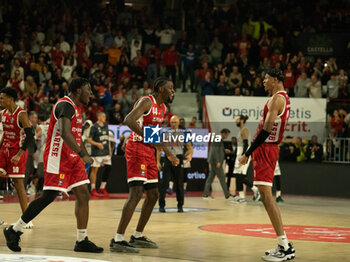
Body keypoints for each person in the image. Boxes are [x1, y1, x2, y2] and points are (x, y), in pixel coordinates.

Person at [3, 78, 103, 253]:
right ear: (78, 90)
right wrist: (83, 153)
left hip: (72, 158)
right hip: (58, 158)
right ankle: (14, 229)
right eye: (89, 90)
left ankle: (82, 240)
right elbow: (65, 133)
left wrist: (78, 155)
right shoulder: (65, 105)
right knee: (48, 196)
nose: (91, 94)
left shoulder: (78, 108)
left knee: (83, 194)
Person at [110, 77, 178, 253]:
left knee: (154, 194)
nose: (173, 91)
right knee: (136, 193)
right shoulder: (147, 101)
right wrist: (148, 139)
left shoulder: (162, 108)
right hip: (137, 149)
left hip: (148, 152)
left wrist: (169, 154)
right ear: (160, 88)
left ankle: (138, 235)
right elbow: (128, 120)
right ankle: (118, 239)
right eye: (170, 88)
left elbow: (155, 136)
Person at [238, 68, 295, 261]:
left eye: (266, 78)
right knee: (264, 195)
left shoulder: (277, 99)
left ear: (276, 79)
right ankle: (283, 244)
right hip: (267, 149)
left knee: (266, 195)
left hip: (266, 148)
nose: (263, 81)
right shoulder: (282, 98)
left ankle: (284, 246)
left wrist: (248, 152)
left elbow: (266, 130)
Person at [0, 87, 36, 228]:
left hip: (17, 151)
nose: (0, 100)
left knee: (18, 183)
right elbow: (5, 134)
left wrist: (19, 154)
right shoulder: (2, 113)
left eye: (2, 98)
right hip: (5, 150)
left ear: (10, 98)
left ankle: (26, 219)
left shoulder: (21, 114)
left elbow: (30, 135)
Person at [158, 115, 193, 213]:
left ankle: (180, 205)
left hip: (179, 158)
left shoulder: (184, 133)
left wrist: (190, 155)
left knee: (179, 183)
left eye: (175, 122)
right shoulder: (165, 133)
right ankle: (161, 205)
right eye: (172, 122)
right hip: (168, 158)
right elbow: (159, 148)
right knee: (164, 183)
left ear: (178, 123)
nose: (174, 124)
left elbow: (190, 147)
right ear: (170, 123)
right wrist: (157, 161)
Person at [232, 115, 260, 203]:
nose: (236, 121)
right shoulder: (241, 130)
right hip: (239, 155)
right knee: (238, 175)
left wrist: (244, 156)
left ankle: (255, 190)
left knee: (240, 176)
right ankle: (241, 196)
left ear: (242, 120)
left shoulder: (245, 130)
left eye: (237, 119)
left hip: (243, 156)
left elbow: (246, 145)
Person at [203, 129, 234, 200]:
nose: (227, 136)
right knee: (222, 178)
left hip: (214, 161)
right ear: (223, 133)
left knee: (210, 178)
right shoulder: (218, 138)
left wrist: (224, 150)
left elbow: (217, 149)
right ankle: (227, 195)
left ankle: (205, 194)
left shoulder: (218, 139)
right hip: (215, 162)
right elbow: (215, 151)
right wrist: (218, 161)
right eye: (227, 135)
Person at [88, 112, 112, 198]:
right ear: (98, 117)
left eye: (105, 116)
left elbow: (107, 138)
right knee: (95, 170)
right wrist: (97, 144)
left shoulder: (106, 125)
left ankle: (102, 188)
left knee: (108, 168)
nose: (105, 117)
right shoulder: (94, 127)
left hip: (105, 152)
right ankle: (93, 189)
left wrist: (110, 150)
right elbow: (89, 140)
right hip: (96, 153)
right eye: (103, 116)